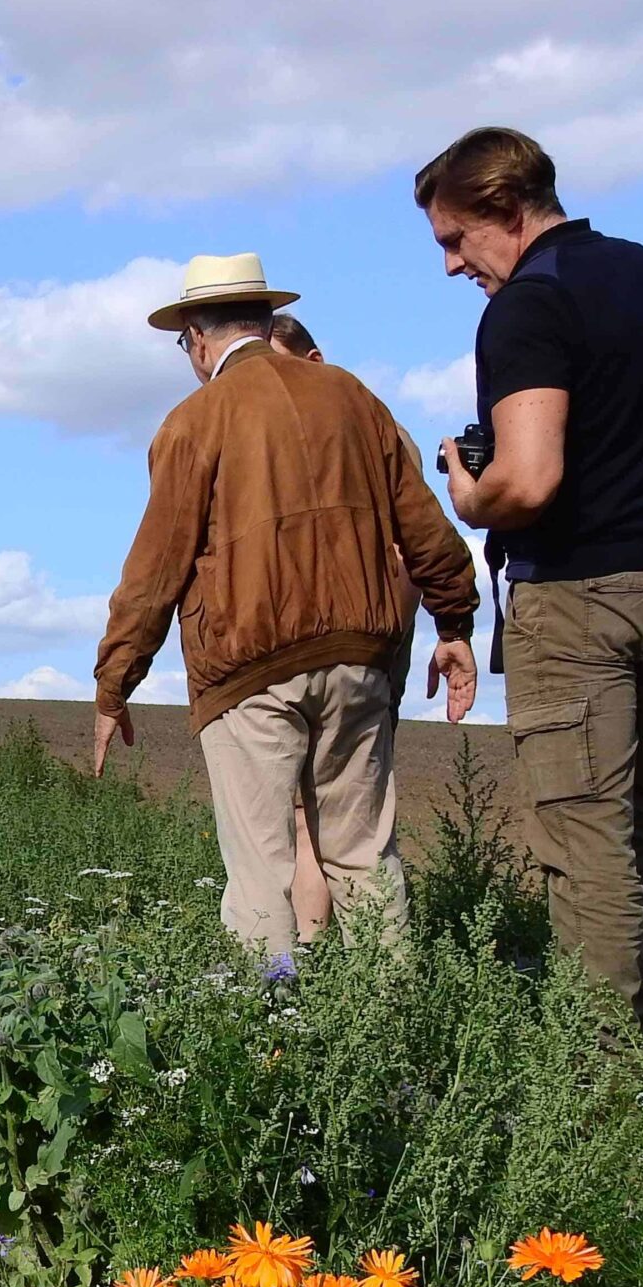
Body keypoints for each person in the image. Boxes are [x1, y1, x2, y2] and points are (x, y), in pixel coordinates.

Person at [415, 126, 643, 1031]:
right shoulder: (642, 269)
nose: (454, 266)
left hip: (577, 601)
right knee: (625, 824)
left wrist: (466, 491)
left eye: (456, 240)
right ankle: (634, 1056)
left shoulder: (526, 306)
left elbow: (528, 479)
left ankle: (604, 1086)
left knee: (581, 839)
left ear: (504, 208)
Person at [91, 254, 481, 959]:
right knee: (364, 855)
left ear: (196, 340)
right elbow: (427, 529)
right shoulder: (355, 398)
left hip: (248, 669)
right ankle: (388, 1030)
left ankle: (268, 1040)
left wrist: (115, 683)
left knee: (262, 872)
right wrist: (454, 624)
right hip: (363, 659)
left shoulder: (193, 421)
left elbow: (154, 570)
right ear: (267, 319)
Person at [267, 312, 427, 938]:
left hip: (352, 658)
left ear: (313, 361)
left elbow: (410, 557)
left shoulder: (368, 433)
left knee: (328, 830)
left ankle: (313, 978)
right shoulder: (370, 429)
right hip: (348, 656)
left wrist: (381, 648)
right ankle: (351, 987)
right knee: (325, 826)